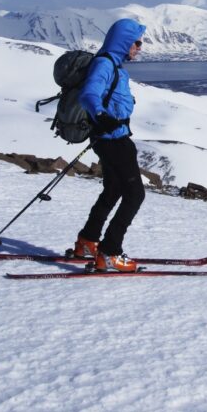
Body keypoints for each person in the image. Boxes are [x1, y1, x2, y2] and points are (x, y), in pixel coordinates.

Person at [72, 18, 147, 272]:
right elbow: (89, 94)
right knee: (135, 194)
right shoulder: (104, 64)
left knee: (113, 189)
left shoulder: (113, 65)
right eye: (136, 43)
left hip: (111, 137)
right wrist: (102, 116)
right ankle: (109, 252)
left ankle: (87, 242)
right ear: (124, 42)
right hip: (113, 139)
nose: (139, 47)